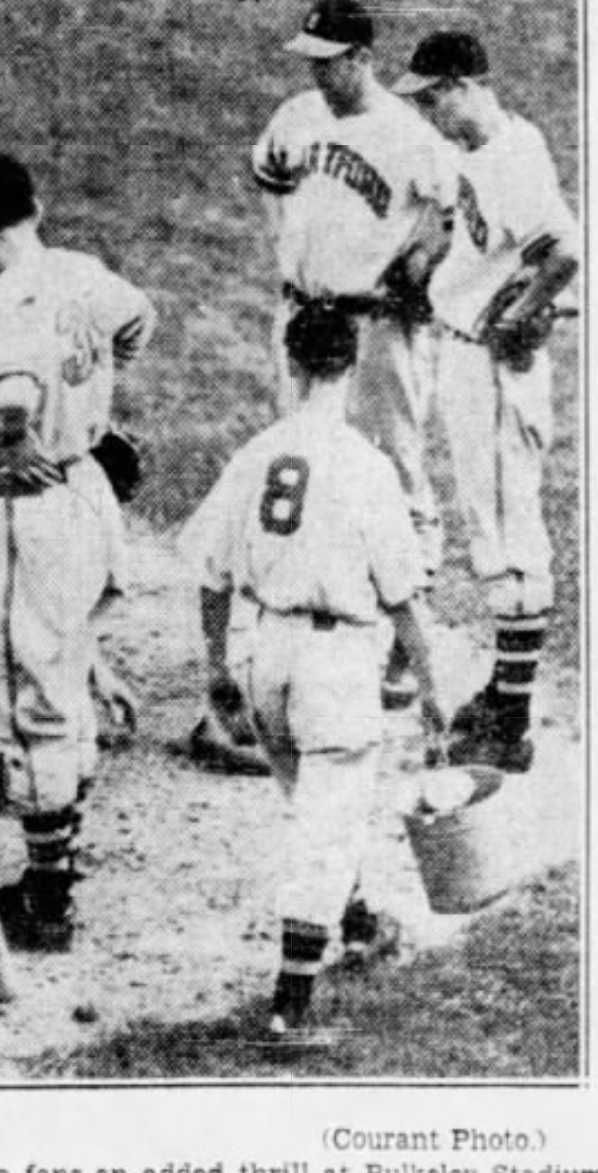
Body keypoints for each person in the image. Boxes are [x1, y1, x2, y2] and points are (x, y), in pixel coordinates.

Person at [182, 302, 445, 1050]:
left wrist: (215, 671)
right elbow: (402, 599)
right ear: (351, 363)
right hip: (333, 662)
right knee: (325, 823)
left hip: (264, 652)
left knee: (317, 804)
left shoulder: (256, 452)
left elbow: (209, 575)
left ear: (291, 363)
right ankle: (289, 1008)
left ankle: (356, 918)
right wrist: (430, 689)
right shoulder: (366, 466)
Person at [0, 153, 156, 950]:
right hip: (86, 496)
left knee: (26, 693)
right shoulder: (82, 270)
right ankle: (55, 871)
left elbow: (6, 397)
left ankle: (44, 903)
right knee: (65, 680)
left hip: (26, 513)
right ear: (35, 206)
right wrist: (89, 396)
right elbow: (138, 322)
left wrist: (19, 433)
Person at [250, 0, 457, 707]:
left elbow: (447, 222)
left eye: (328, 63)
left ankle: (407, 644)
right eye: (309, 62)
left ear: (362, 59)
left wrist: (417, 275)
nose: (316, 76)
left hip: (374, 327)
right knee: (299, 454)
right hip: (303, 321)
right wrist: (287, 248)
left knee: (395, 467)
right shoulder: (296, 117)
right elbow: (270, 178)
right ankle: (306, 620)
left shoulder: (410, 137)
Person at [393, 31, 579, 773]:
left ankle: (512, 718)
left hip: (494, 372)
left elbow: (564, 252)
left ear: (462, 84)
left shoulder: (510, 162)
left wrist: (521, 312)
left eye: (432, 95)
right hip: (466, 355)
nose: (428, 110)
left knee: (507, 535)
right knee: (488, 525)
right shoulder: (493, 146)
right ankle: (505, 693)